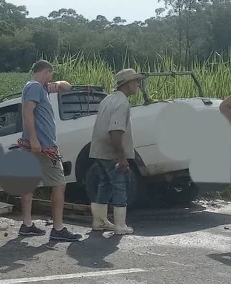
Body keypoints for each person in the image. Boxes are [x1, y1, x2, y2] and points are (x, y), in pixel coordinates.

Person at [15, 60, 83, 242]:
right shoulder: (36, 88)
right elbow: (27, 113)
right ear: (47, 72)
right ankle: (58, 228)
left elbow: (66, 87)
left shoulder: (38, 87)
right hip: (43, 146)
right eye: (51, 74)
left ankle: (27, 225)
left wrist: (58, 84)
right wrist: (35, 140)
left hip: (38, 145)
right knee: (59, 184)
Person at [88, 68, 145, 235]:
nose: (137, 85)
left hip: (98, 150)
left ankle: (99, 221)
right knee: (120, 185)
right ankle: (120, 225)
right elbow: (115, 130)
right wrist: (122, 157)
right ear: (126, 84)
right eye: (135, 82)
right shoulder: (122, 103)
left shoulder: (108, 99)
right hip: (110, 151)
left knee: (105, 183)